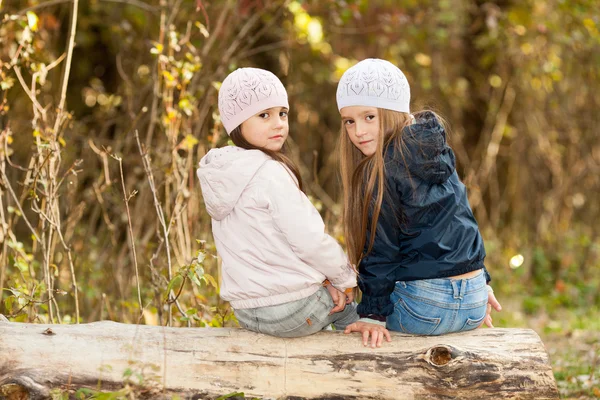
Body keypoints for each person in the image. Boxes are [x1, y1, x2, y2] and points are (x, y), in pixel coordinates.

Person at [197, 67, 390, 345]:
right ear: (237, 123)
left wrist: (323, 284)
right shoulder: (269, 172)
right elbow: (308, 241)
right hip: (291, 310)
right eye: (264, 115)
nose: (278, 124)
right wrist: (343, 279)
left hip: (248, 311)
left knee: (330, 295)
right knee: (352, 307)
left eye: (282, 114)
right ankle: (368, 361)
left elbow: (275, 251)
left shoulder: (223, 173)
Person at [335, 59, 502, 338]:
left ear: (394, 112)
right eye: (349, 121)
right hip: (473, 301)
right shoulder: (435, 151)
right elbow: (462, 222)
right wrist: (480, 282)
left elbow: (381, 248)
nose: (358, 131)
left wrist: (373, 315)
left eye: (369, 117)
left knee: (343, 313)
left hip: (425, 309)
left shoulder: (383, 167)